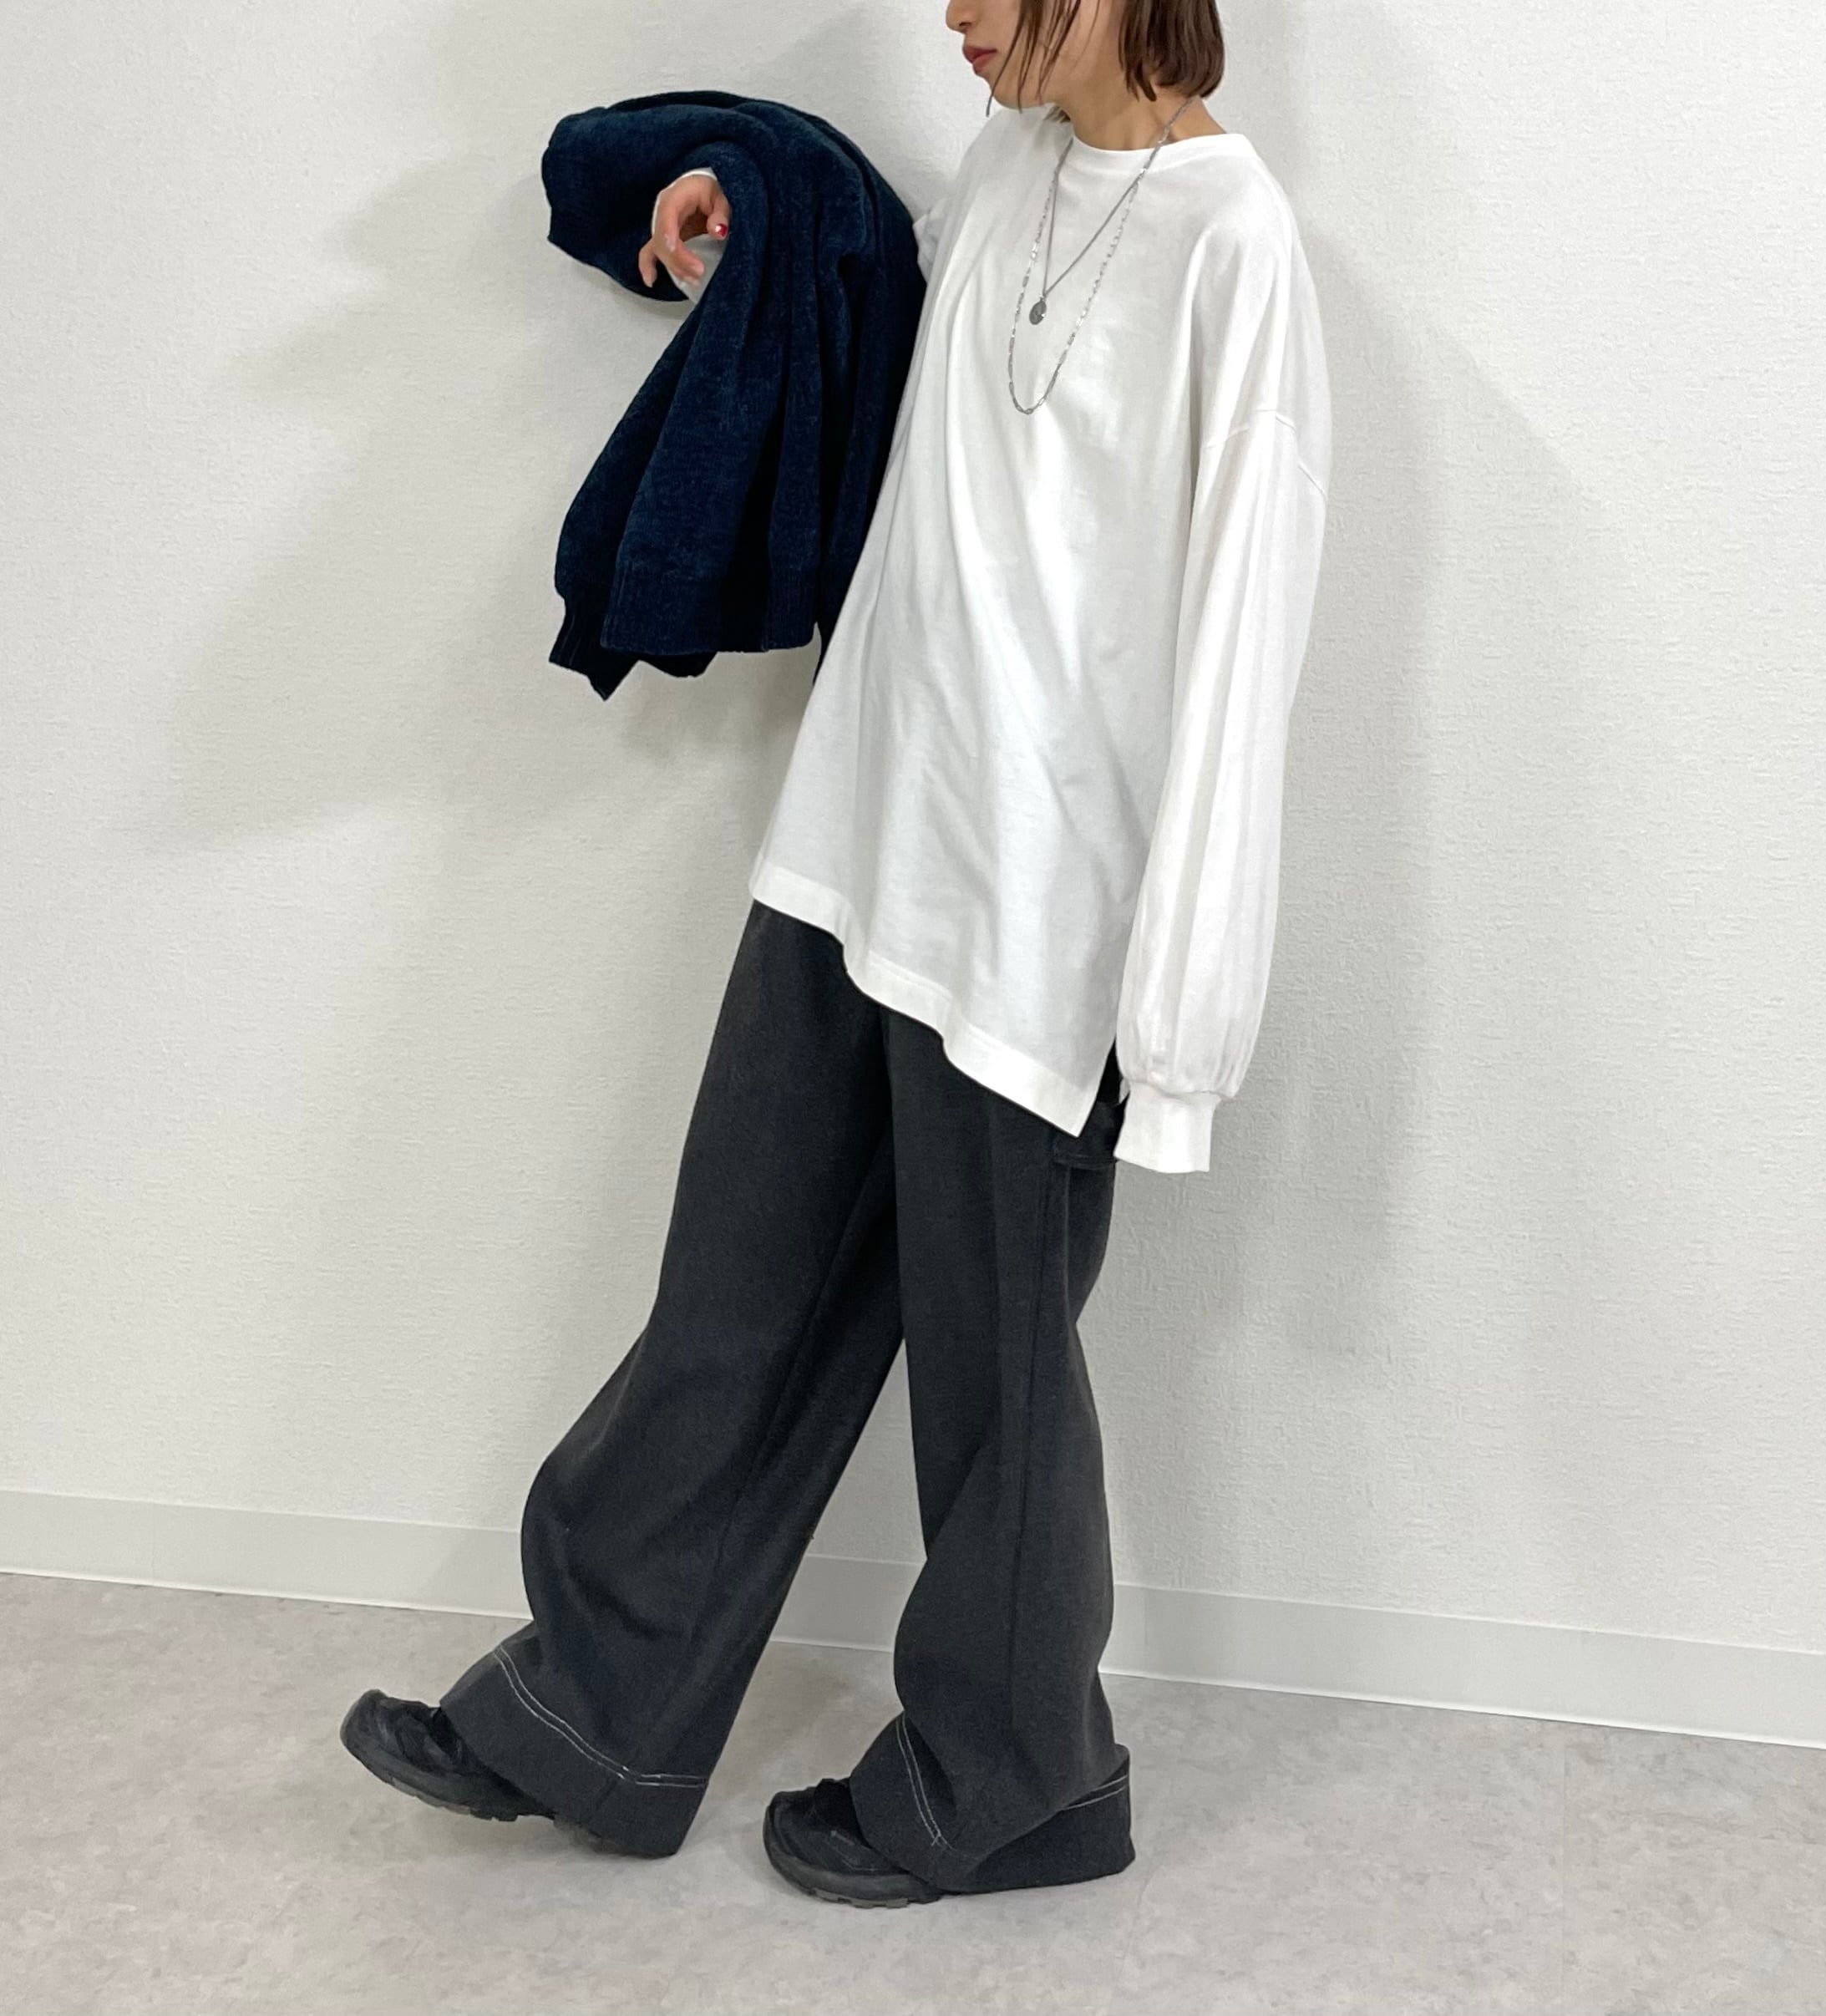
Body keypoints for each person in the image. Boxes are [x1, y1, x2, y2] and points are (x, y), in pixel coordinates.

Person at [341, 0, 1331, 1907]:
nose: (951, 12)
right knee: (735, 1284)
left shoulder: (1238, 249)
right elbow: (880, 336)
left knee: (993, 1375)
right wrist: (745, 226)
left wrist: (1178, 1014)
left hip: (1038, 913)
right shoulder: (1012, 166)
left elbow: (1240, 643)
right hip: (863, 834)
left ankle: (1028, 1776)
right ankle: (595, 1709)